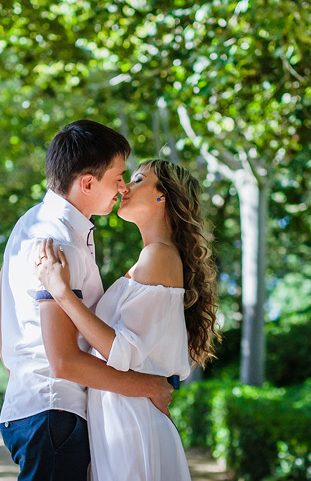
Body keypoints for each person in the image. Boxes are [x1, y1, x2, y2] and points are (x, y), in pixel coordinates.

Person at [0, 121, 174, 481]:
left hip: (34, 410)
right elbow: (64, 362)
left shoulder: (30, 224)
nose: (123, 187)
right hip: (55, 416)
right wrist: (149, 386)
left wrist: (29, 380)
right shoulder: (60, 241)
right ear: (88, 183)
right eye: (119, 177)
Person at [34, 158, 221, 481]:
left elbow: (122, 350)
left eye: (137, 180)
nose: (124, 188)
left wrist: (61, 291)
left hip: (131, 421)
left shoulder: (158, 256)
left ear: (162, 196)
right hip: (120, 416)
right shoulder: (152, 257)